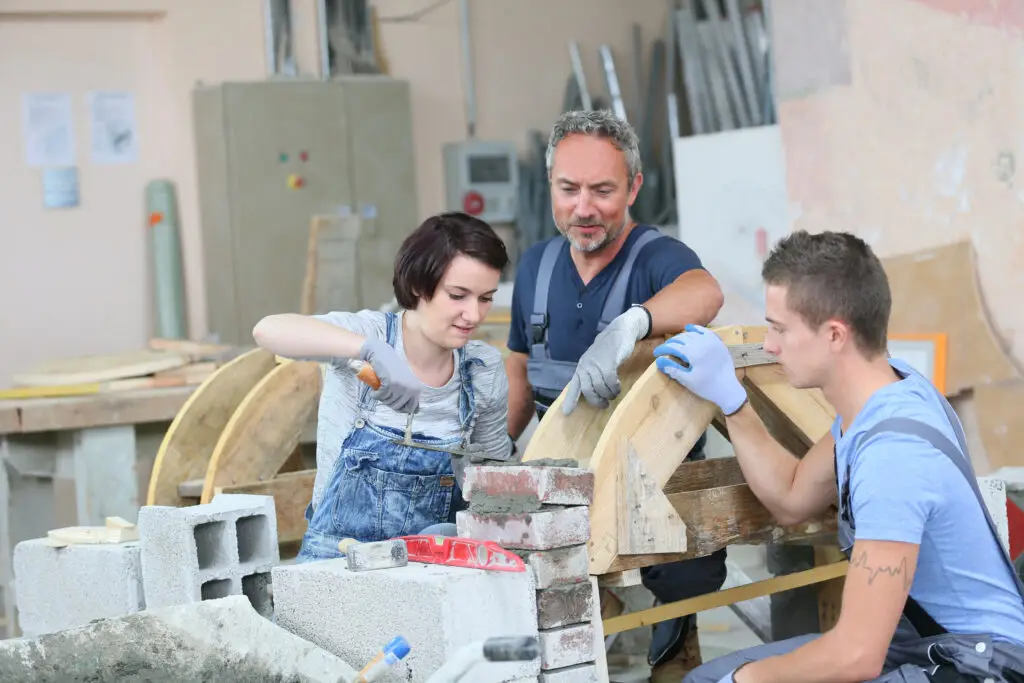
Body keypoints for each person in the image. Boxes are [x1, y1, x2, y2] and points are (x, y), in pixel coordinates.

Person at [653, 230, 1024, 683]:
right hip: (916, 644)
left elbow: (856, 656)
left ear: (834, 335)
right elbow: (791, 497)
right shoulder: (881, 399)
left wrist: (746, 680)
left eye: (780, 328)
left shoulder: (894, 458)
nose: (769, 345)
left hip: (976, 665)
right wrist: (732, 401)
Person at [505, 109, 727, 681]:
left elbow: (705, 292)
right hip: (563, 480)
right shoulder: (537, 266)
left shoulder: (655, 258)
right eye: (569, 189)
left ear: (634, 186)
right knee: (567, 637)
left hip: (656, 480)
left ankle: (675, 656)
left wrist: (636, 322)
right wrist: (494, 455)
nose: (584, 208)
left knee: (679, 607)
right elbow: (519, 366)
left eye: (603, 190)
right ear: (549, 185)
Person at [253, 212, 515, 563]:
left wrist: (467, 530)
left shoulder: (481, 369)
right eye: (458, 296)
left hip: (428, 566)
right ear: (420, 286)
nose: (474, 314)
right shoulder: (370, 333)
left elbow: (496, 478)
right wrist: (368, 350)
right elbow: (268, 330)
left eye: (485, 298)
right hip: (338, 560)